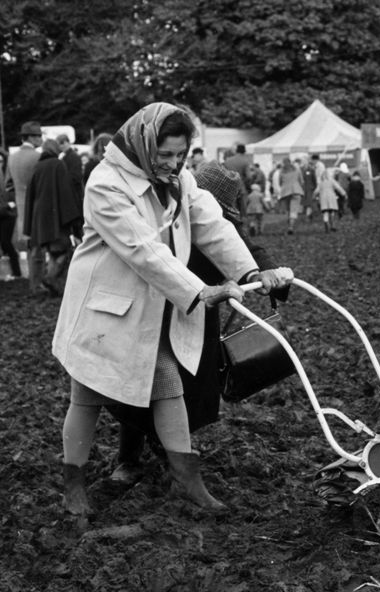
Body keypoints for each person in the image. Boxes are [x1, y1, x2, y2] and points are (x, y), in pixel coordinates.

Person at [51, 102, 286, 515]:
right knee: (86, 397)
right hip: (106, 315)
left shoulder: (179, 180)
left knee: (168, 385)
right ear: (144, 144)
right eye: (165, 155)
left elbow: (214, 225)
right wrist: (202, 291)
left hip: (153, 310)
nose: (175, 164)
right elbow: (143, 251)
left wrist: (251, 272)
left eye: (180, 155)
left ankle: (188, 482)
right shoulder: (105, 184)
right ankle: (74, 487)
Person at [109, 158, 293, 488]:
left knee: (189, 390)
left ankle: (171, 454)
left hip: (199, 317)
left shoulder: (222, 224)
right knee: (142, 385)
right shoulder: (164, 217)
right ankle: (129, 458)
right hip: (157, 312)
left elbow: (250, 250)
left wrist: (272, 275)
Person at [23, 139, 84, 296]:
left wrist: (29, 223)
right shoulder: (58, 165)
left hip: (40, 218)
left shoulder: (38, 166)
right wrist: (73, 220)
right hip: (57, 217)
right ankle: (50, 278)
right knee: (63, 250)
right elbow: (65, 192)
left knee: (51, 251)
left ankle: (51, 283)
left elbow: (31, 194)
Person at [8, 121, 45, 290]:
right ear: (31, 137)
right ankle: (39, 281)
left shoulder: (12, 157)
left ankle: (32, 278)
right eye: (39, 136)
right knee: (39, 245)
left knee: (30, 245)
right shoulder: (38, 157)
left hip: (21, 206)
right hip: (37, 206)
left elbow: (8, 184)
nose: (41, 139)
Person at [0, 151, 22, 280]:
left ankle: (17, 272)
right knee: (5, 243)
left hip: (7, 213)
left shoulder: (8, 176)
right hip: (6, 210)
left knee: (6, 242)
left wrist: (10, 204)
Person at [56, 134, 84, 207]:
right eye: (59, 144)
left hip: (73, 193)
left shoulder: (73, 156)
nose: (60, 146)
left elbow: (76, 176)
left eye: (62, 143)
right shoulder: (64, 156)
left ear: (67, 142)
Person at [315, 166, 346, 231]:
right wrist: (344, 194)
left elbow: (316, 191)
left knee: (325, 212)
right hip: (331, 198)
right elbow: (338, 188)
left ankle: (326, 222)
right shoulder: (332, 181)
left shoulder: (320, 183)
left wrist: (314, 196)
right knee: (332, 212)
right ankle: (332, 225)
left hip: (323, 198)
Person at [278, 157, 304, 235]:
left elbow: (280, 182)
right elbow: (301, 181)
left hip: (286, 192)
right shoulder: (297, 170)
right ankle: (291, 227)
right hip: (296, 191)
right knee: (294, 209)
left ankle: (290, 225)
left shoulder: (282, 172)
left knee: (288, 210)